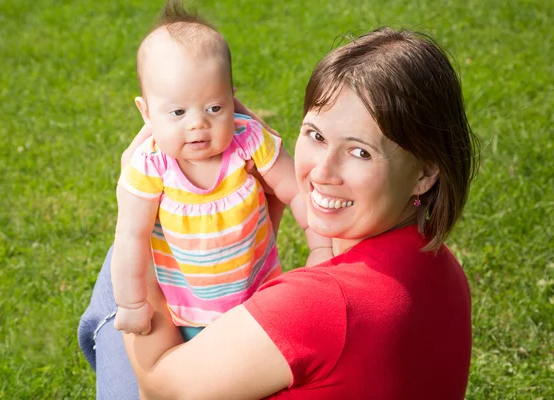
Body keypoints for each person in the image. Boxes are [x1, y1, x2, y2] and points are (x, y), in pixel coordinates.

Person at [80, 26, 479, 399]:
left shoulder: (317, 305)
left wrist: (137, 227)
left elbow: (162, 387)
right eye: (316, 136)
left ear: (425, 172)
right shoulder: (442, 266)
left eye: (360, 151)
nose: (321, 173)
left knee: (118, 272)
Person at [111, 1, 332, 338]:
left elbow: (294, 191)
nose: (198, 124)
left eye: (214, 107)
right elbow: (130, 237)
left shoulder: (248, 140)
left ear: (232, 99)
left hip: (260, 293)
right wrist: (130, 304)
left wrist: (320, 247)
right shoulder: (151, 165)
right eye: (177, 112)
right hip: (189, 310)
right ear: (146, 112)